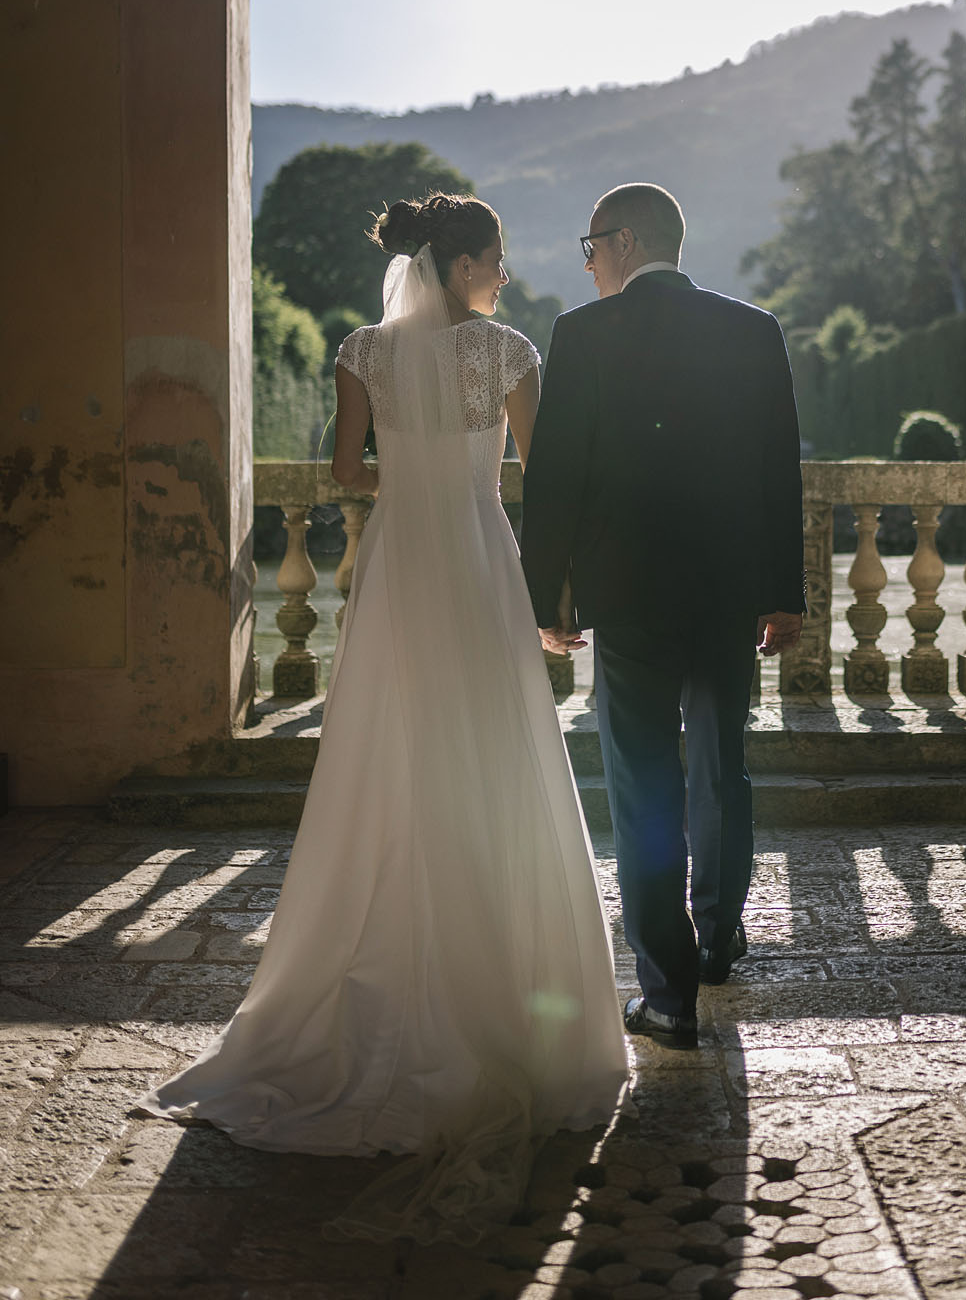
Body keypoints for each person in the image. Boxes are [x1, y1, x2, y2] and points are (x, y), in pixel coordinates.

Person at [139, 193, 627, 1242]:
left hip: (402, 560)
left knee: (389, 754)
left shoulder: (361, 348)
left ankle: (387, 967)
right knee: (497, 754)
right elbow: (541, 476)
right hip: (482, 559)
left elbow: (343, 471)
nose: (502, 276)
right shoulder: (507, 351)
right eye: (492, 261)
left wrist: (404, 472)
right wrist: (532, 563)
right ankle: (508, 990)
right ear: (457, 266)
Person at [519, 183, 806, 1048]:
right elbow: (778, 470)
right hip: (726, 591)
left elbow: (556, 480)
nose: (587, 261)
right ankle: (718, 939)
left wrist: (546, 597)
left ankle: (669, 994)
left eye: (591, 243)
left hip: (629, 595)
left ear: (627, 240)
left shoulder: (583, 334)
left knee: (643, 782)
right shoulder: (753, 330)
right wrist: (784, 591)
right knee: (722, 763)